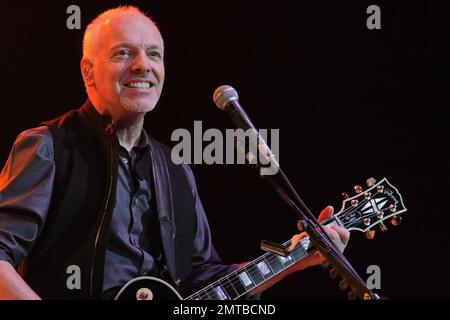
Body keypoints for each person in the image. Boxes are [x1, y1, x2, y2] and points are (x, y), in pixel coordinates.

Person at [0, 6, 349, 300]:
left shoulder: (175, 168)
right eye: (123, 53)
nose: (142, 65)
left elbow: (202, 280)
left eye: (154, 54)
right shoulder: (48, 147)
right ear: (88, 71)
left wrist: (295, 259)